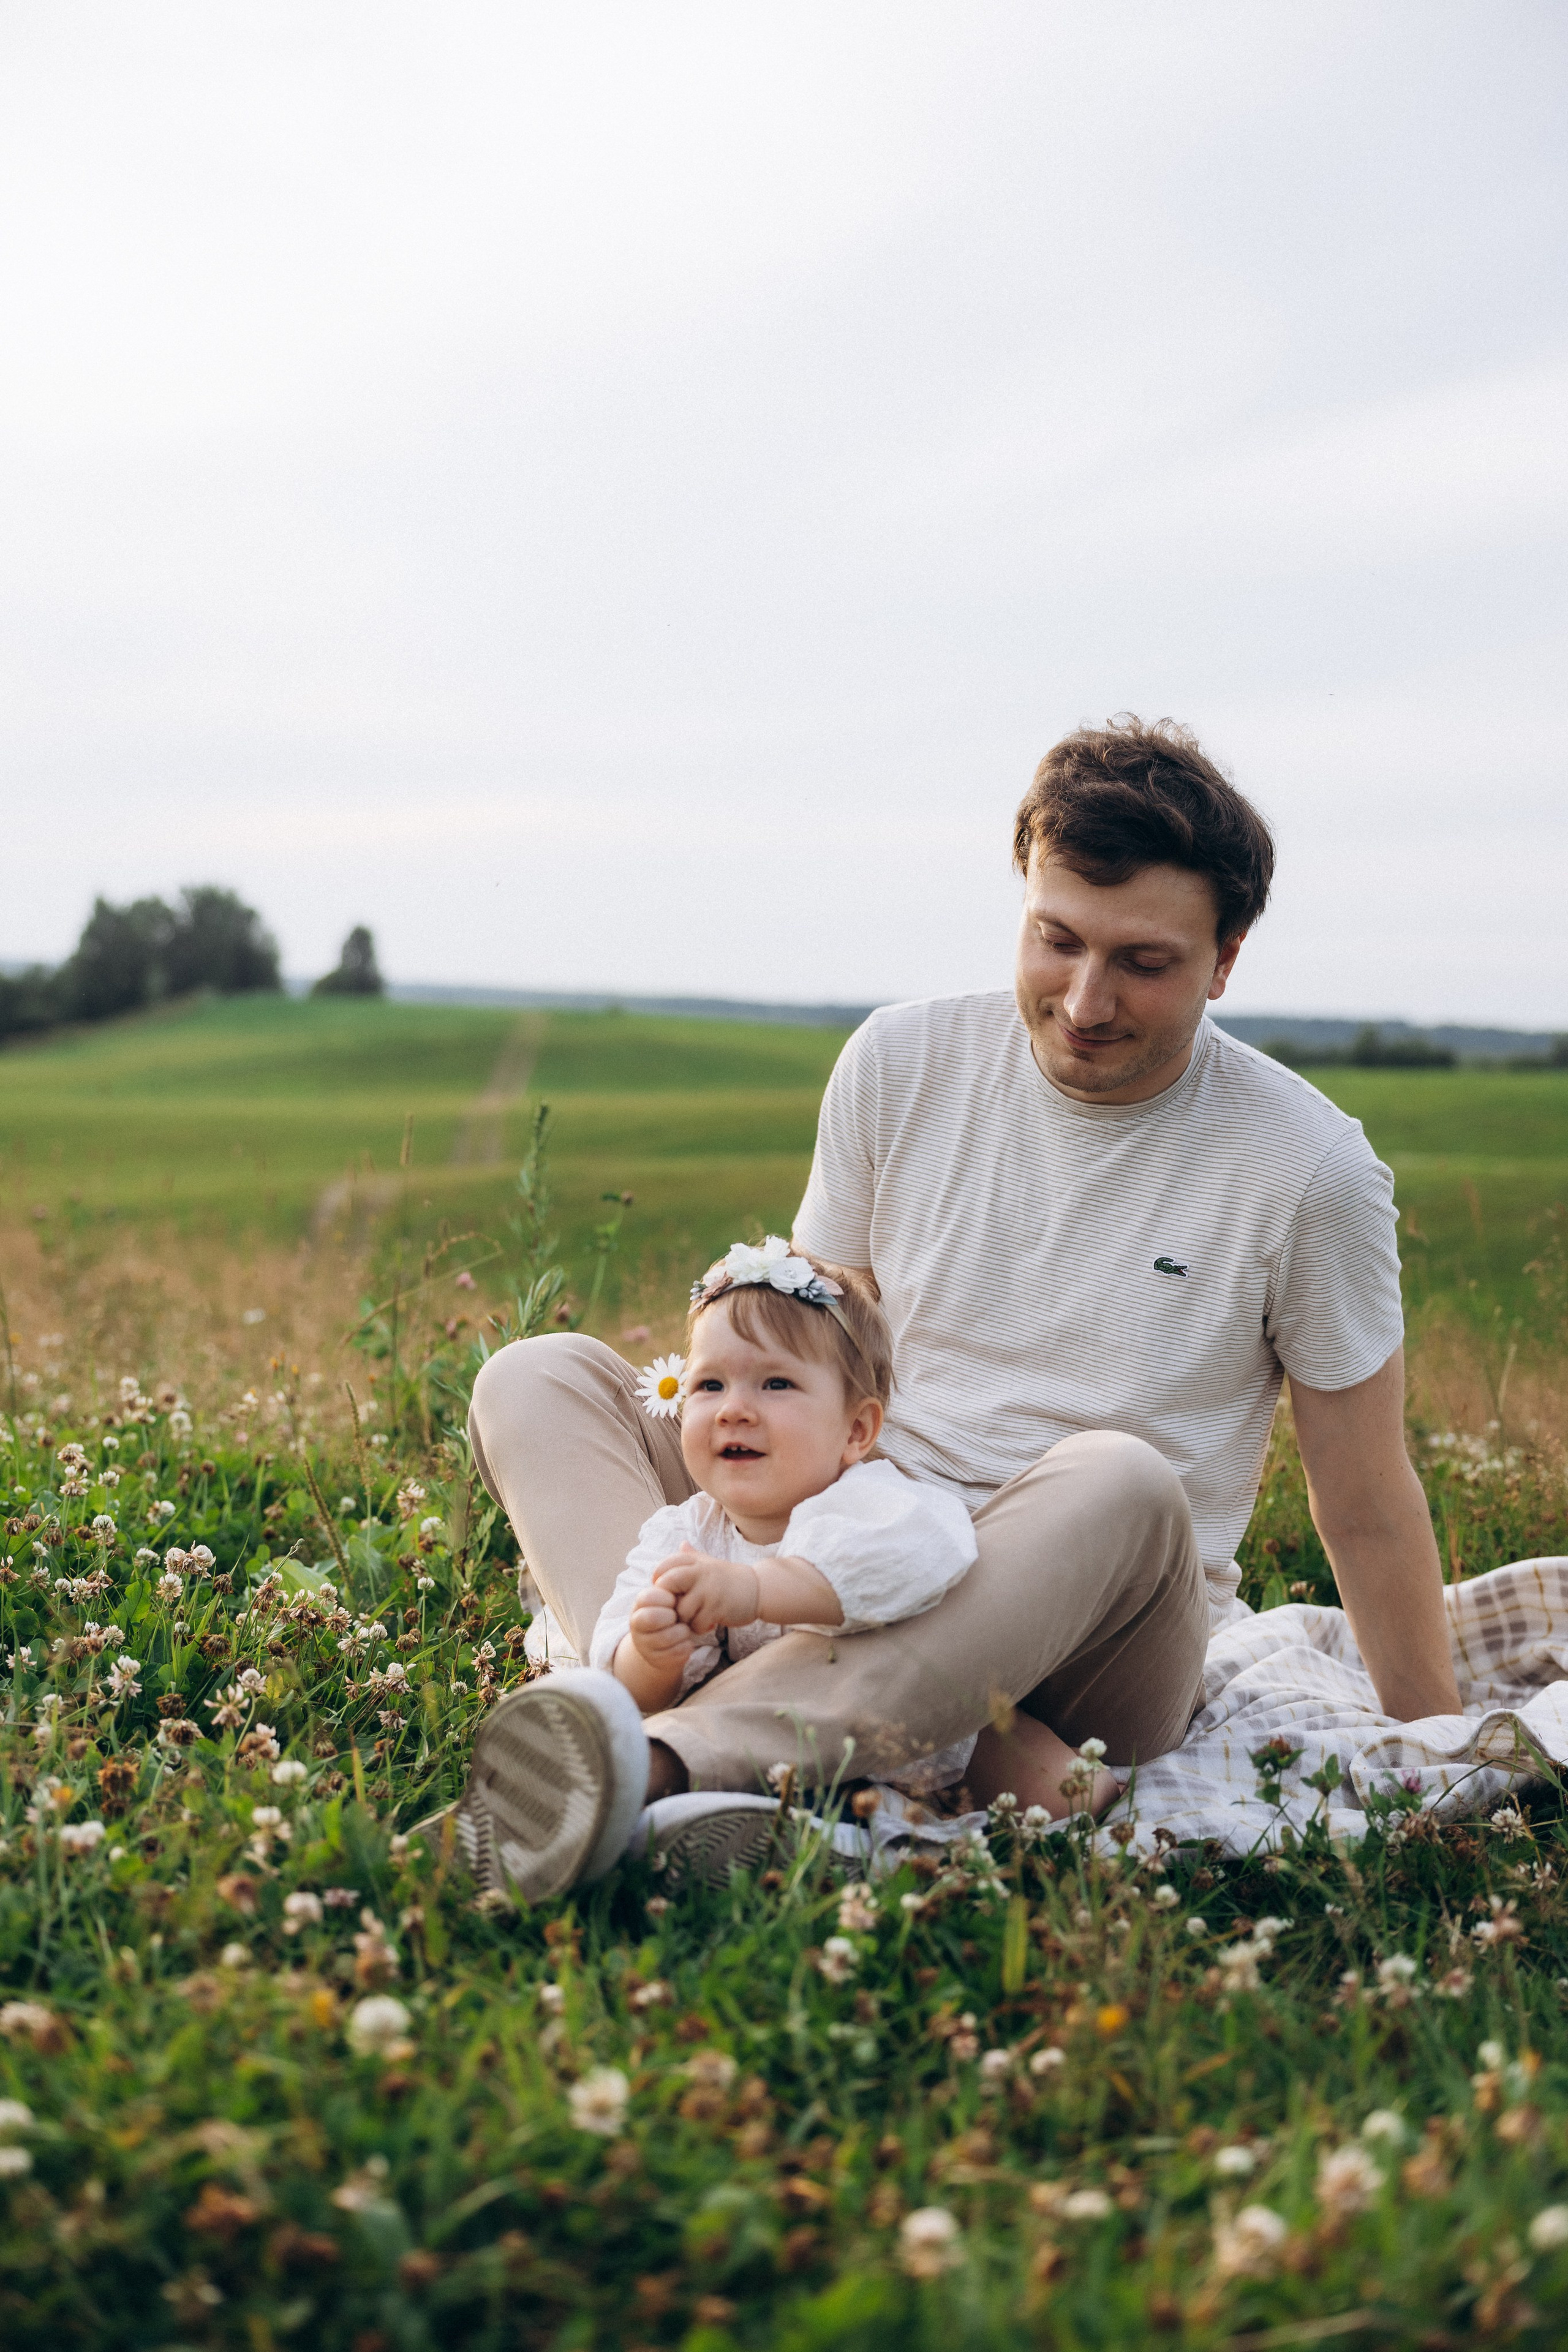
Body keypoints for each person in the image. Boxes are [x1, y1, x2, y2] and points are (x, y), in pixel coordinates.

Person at [452, 714, 1462, 1899]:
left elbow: (1367, 1499)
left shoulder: (1309, 1170)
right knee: (539, 1377)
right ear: (1023, 898)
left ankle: (662, 1758)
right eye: (1058, 941)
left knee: (1126, 1477)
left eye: (1145, 963)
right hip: (846, 1548)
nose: (1087, 1001)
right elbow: (820, 1357)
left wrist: (1433, 1750)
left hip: (1088, 1633)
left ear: (1226, 959)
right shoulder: (900, 1061)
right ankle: (702, 1705)